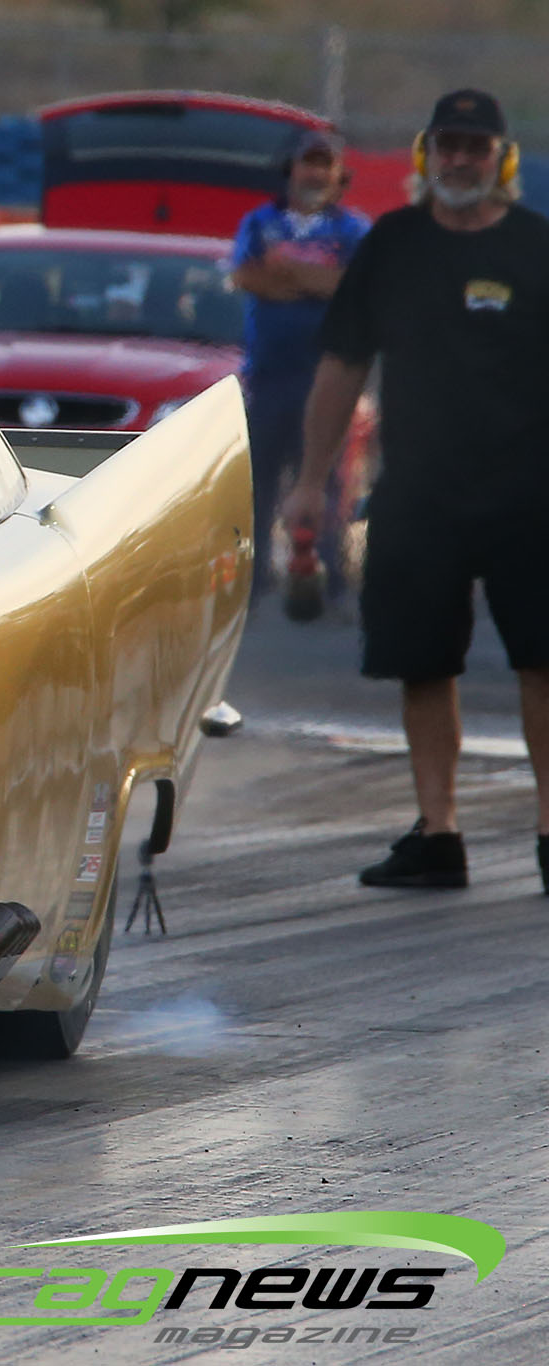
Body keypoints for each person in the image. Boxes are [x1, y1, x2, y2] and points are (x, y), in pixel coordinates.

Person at [284, 89, 549, 891]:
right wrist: (311, 481)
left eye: (476, 147)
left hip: (530, 496)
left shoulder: (536, 247)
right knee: (421, 662)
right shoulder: (392, 245)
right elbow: (342, 364)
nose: (460, 160)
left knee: (543, 663)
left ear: (502, 159)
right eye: (448, 145)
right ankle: (439, 834)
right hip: (420, 495)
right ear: (426, 154)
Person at [227, 128, 368, 599]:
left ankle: (329, 576)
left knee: (327, 478)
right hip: (269, 374)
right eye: (309, 163)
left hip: (328, 375)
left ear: (339, 175)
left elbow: (354, 287)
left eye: (326, 165)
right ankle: (255, 577)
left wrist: (289, 272)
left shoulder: (352, 230)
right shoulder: (260, 222)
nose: (315, 173)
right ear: (291, 169)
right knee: (260, 480)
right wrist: (317, 281)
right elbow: (247, 276)